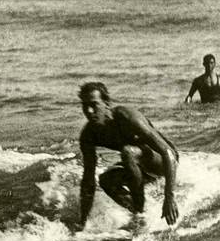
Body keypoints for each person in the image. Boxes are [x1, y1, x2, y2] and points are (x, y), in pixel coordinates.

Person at [77, 82, 179, 228]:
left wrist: (169, 197)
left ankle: (140, 212)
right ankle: (143, 214)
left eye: (94, 105)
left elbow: (167, 152)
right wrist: (82, 222)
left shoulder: (127, 117)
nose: (89, 111)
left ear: (106, 103)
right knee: (106, 180)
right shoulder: (88, 135)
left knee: (127, 152)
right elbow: (88, 181)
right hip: (138, 165)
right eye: (85, 106)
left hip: (162, 161)